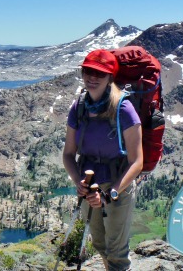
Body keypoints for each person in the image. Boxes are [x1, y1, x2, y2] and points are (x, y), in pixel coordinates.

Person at [62, 49, 143, 271]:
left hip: (118, 186)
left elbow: (137, 162)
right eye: (88, 71)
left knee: (116, 250)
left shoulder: (123, 109)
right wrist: (79, 181)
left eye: (100, 73)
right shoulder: (78, 107)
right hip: (90, 187)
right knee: (99, 242)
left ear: (110, 77)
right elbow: (68, 154)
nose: (92, 77)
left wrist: (111, 193)